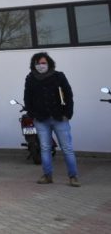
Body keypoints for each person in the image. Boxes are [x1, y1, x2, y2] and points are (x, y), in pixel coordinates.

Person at [24, 52, 80, 187]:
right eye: (38, 63)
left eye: (43, 63)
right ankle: (47, 175)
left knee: (67, 148)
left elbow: (68, 95)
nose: (41, 65)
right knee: (44, 148)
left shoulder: (58, 76)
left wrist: (68, 113)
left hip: (59, 117)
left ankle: (73, 177)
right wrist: (32, 114)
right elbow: (27, 97)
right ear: (34, 64)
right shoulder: (31, 78)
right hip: (41, 119)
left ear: (49, 63)